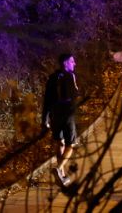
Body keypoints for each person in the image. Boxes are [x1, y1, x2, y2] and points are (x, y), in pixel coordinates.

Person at [42, 52, 79, 188]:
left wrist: (44, 119)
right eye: (72, 61)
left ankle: (62, 175)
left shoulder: (52, 78)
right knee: (71, 145)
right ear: (65, 63)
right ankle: (59, 168)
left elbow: (46, 100)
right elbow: (74, 95)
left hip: (55, 115)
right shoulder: (70, 76)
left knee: (60, 143)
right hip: (68, 115)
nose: (74, 63)